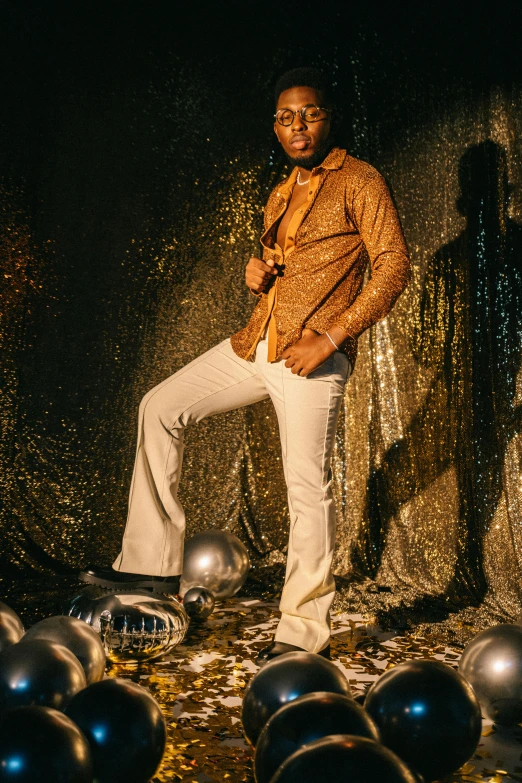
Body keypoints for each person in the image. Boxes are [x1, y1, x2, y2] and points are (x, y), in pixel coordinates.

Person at [80, 67, 411, 664]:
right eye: (285, 117)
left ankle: (302, 632)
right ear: (276, 126)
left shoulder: (361, 179)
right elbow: (278, 262)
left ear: (328, 117)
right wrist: (257, 272)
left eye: (308, 113)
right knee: (160, 407)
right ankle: (152, 567)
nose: (297, 126)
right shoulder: (282, 189)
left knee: (306, 488)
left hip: (312, 355)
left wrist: (331, 337)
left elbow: (392, 268)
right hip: (258, 343)